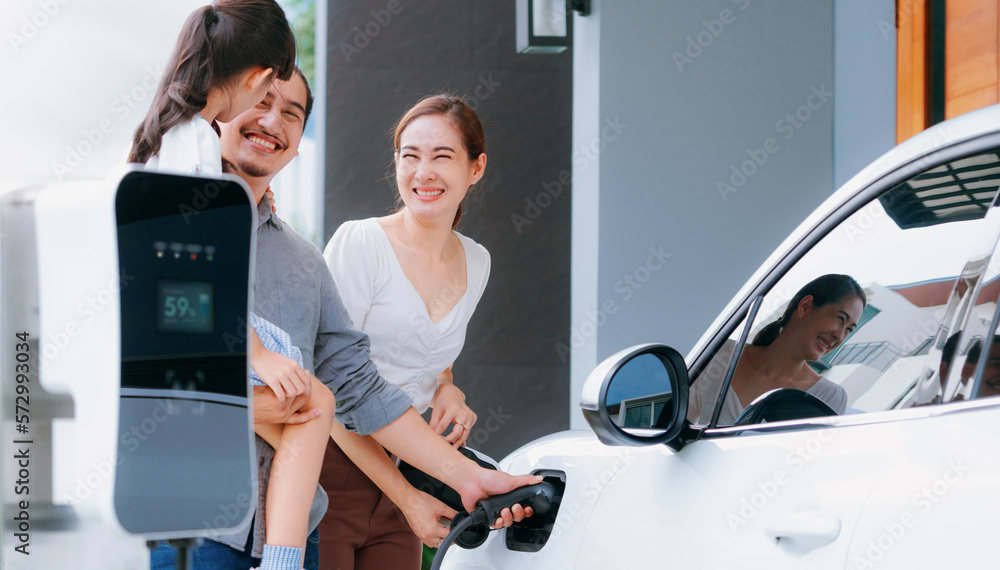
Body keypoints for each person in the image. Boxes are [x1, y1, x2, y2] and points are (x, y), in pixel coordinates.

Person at [152, 71, 538, 570]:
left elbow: (356, 382)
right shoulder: (169, 222)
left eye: (292, 113)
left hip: (292, 533)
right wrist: (259, 401)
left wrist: (467, 474)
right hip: (192, 526)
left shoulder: (303, 262)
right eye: (262, 101)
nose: (273, 121)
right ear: (220, 111)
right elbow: (149, 359)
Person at [131, 4, 334, 569]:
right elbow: (191, 275)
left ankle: (282, 555)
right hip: (197, 336)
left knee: (307, 402)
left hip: (190, 338)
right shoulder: (192, 143)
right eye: (268, 94)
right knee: (312, 401)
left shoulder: (169, 135)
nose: (268, 115)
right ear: (256, 77)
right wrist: (262, 354)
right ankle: (285, 559)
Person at [318, 94, 489, 568]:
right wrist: (406, 496)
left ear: (475, 168)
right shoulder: (361, 244)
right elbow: (329, 388)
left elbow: (430, 349)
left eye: (442, 156)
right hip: (331, 469)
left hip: (408, 469)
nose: (423, 172)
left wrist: (448, 388)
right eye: (409, 156)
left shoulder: (477, 261)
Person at [687, 274, 866, 426]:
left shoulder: (828, 396)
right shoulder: (724, 353)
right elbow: (682, 422)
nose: (840, 336)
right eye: (840, 319)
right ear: (805, 307)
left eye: (849, 329)